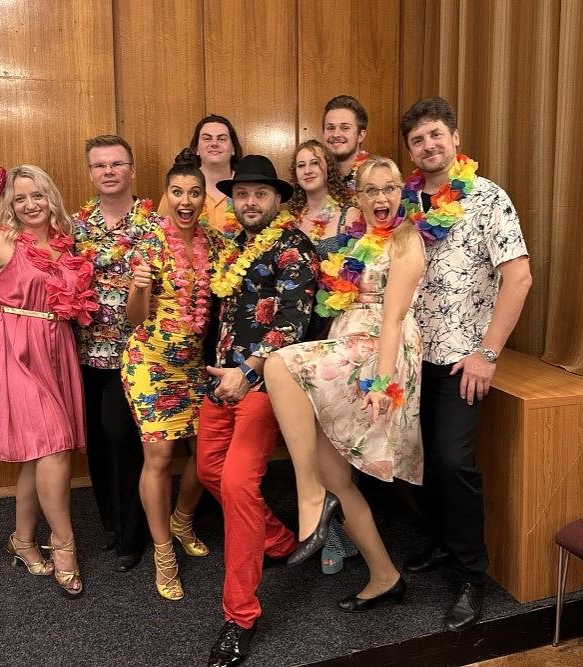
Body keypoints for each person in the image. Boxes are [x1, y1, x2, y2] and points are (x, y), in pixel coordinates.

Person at [267, 156, 426, 613]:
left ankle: (309, 497)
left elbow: (394, 317)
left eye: (389, 188)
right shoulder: (358, 241)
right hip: (349, 338)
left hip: (380, 351)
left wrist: (381, 382)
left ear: (401, 191)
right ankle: (384, 575)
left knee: (278, 367)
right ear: (358, 198)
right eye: (371, 190)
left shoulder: (407, 239)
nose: (381, 197)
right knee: (336, 475)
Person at [399, 97, 532, 631]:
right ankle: (439, 543)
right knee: (421, 460)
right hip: (412, 357)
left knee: (455, 464)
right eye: (417, 140)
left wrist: (488, 353)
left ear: (455, 137)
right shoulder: (404, 202)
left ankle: (472, 575)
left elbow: (518, 277)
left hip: (463, 360)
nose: (428, 145)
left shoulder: (488, 197)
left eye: (436, 134)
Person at [0, 164, 97, 598]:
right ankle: (64, 545)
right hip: (11, 345)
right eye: (20, 198)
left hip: (54, 347)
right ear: (10, 205)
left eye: (37, 195)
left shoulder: (68, 245)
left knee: (39, 453)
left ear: (51, 197)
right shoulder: (2, 242)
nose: (30, 205)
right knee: (53, 444)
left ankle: (22, 539)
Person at [197, 155, 317, 667]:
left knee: (238, 483)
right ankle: (281, 541)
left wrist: (245, 373)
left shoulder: (294, 247)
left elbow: (292, 324)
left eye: (260, 193)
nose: (249, 202)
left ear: (277, 199)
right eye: (242, 193)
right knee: (208, 471)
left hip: (265, 384)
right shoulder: (233, 248)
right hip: (221, 380)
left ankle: (240, 617)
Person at [121, 150, 221, 600]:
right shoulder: (149, 243)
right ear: (167, 195)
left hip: (194, 366)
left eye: (194, 193)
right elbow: (135, 318)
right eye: (177, 192)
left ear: (203, 198)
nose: (185, 200)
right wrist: (139, 287)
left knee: (207, 455)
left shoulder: (214, 243)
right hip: (150, 363)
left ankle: (182, 520)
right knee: (160, 457)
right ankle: (163, 553)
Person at [72, 134, 153, 572]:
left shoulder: (154, 223)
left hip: (135, 352)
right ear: (90, 173)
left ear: (131, 170)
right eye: (99, 165)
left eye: (116, 163)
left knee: (122, 437)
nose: (108, 171)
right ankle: (110, 523)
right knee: (98, 442)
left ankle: (131, 535)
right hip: (85, 351)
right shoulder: (75, 226)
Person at [285, 139, 362, 574]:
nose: (309, 169)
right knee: (307, 429)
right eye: (301, 164)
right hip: (299, 329)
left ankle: (349, 529)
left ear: (327, 167)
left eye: (315, 162)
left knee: (335, 431)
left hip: (338, 326)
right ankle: (328, 530)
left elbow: (361, 272)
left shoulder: (350, 213)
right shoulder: (288, 218)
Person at [159, 114, 244, 237]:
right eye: (207, 139)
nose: (214, 143)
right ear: (197, 149)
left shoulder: (246, 188)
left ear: (233, 149)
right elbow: (161, 236)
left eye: (222, 139)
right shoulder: (176, 190)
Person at [322, 95, 370, 196]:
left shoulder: (375, 174)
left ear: (360, 136)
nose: (336, 134)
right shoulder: (315, 176)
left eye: (345, 128)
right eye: (330, 128)